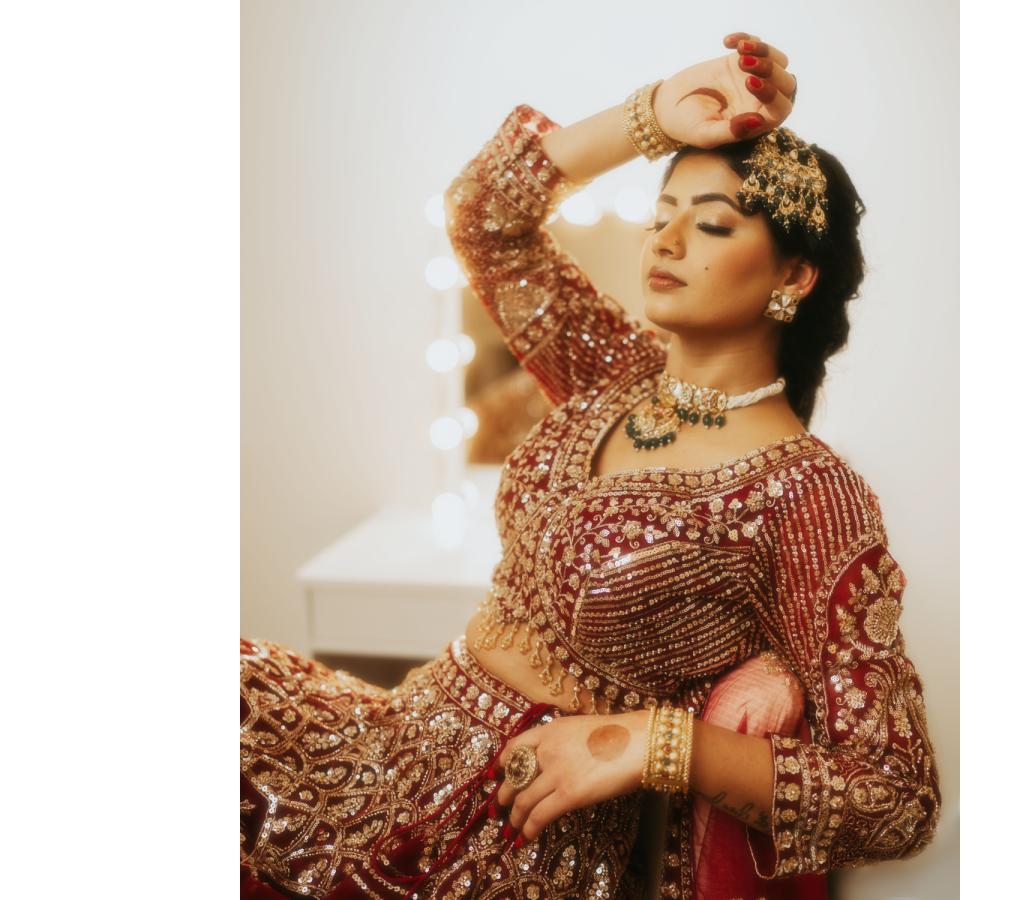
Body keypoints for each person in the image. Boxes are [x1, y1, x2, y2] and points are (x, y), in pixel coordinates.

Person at [241, 31, 940, 899]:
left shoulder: (808, 494)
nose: (668, 240)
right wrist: (658, 112)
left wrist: (651, 743)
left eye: (710, 223)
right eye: (661, 215)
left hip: (509, 841)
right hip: (392, 749)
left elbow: (896, 799)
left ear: (793, 277)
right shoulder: (615, 378)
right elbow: (484, 218)